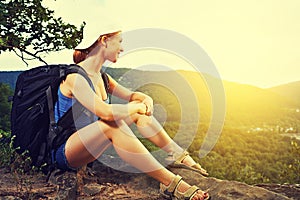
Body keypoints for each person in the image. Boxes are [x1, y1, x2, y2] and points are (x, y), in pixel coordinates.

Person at [52, 22, 210, 200]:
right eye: (119, 41)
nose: (122, 48)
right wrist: (137, 106)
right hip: (63, 151)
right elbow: (106, 112)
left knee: (136, 114)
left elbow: (133, 96)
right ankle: (172, 183)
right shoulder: (75, 78)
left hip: (88, 147)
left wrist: (144, 100)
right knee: (113, 125)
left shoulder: (103, 78)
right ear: (104, 41)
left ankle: (177, 154)